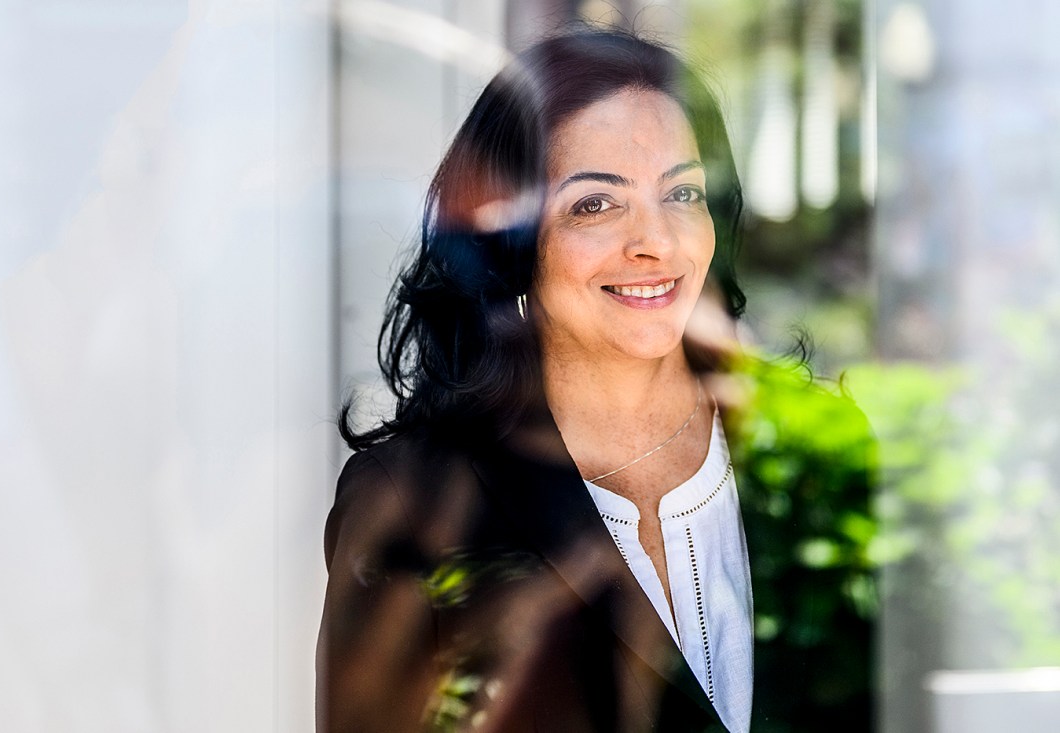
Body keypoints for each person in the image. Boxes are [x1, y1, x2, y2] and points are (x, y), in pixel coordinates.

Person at [317, 28, 873, 733]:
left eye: (684, 193)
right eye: (595, 204)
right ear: (512, 244)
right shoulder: (413, 498)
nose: (656, 242)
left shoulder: (812, 446)